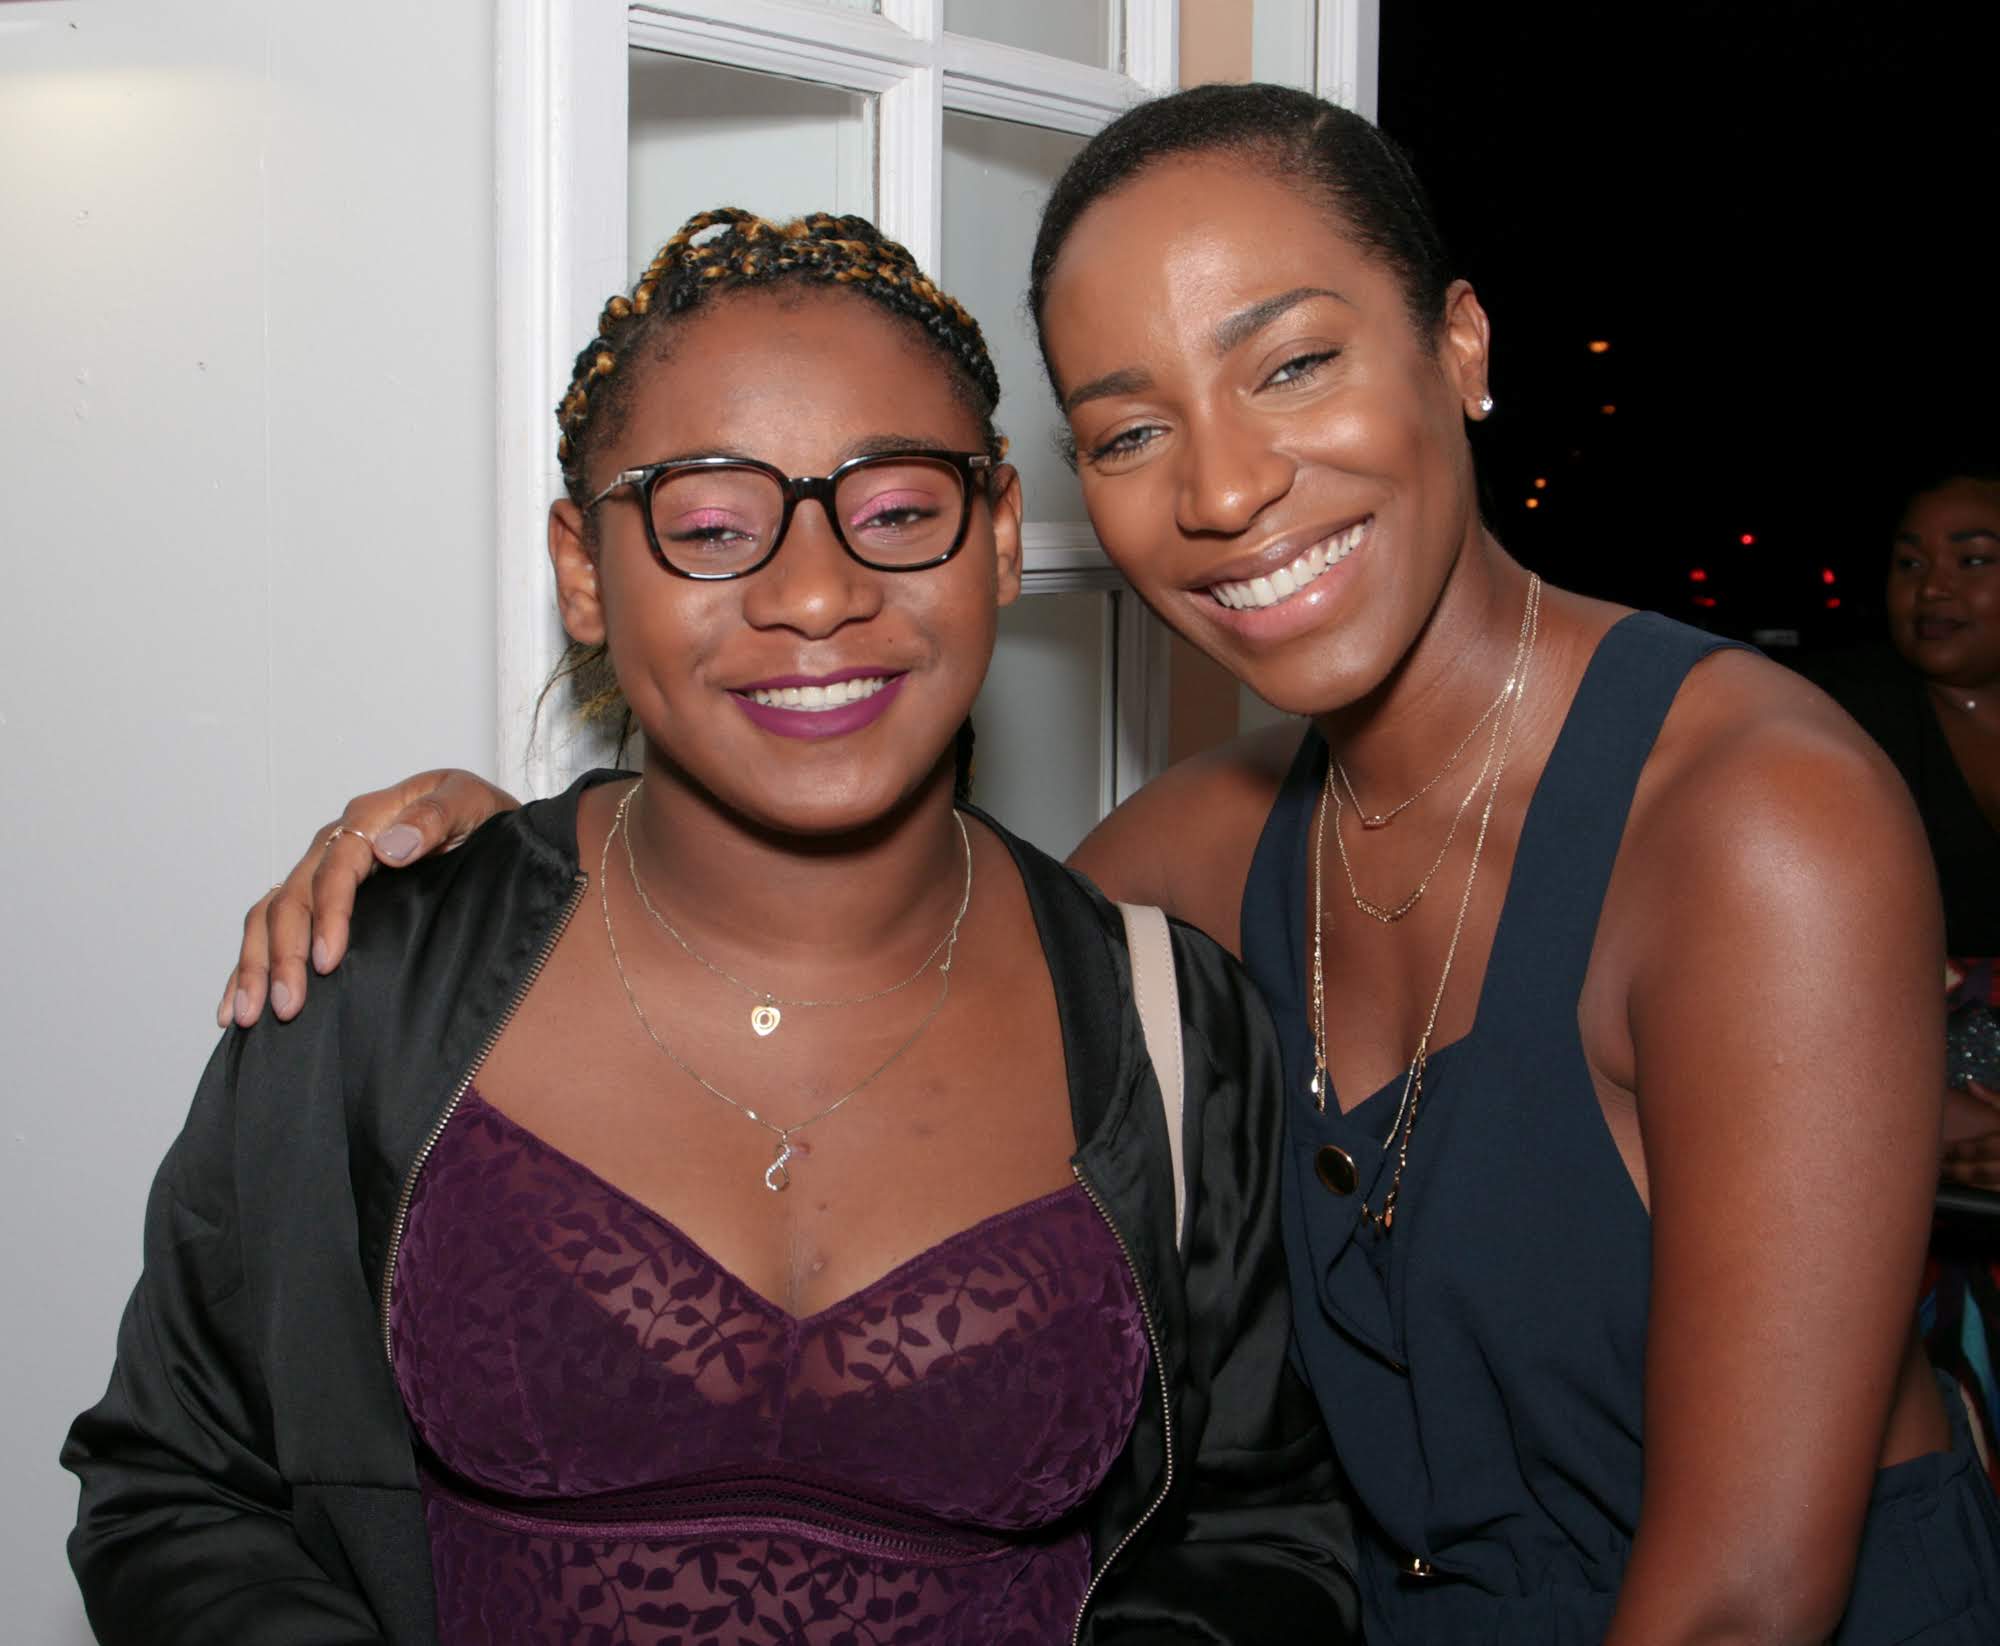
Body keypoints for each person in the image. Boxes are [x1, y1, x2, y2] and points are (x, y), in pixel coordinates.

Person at [216, 86, 2000, 1643]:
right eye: (1133, 431)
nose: (1220, 489)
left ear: (1460, 346)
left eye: (1292, 364)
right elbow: (895, 940)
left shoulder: (1757, 821)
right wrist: (528, 854)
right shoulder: (1190, 860)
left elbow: (1749, 1592)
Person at [64, 209, 1356, 1646]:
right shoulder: (376, 977)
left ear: (997, 535)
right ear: (583, 570)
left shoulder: (1174, 1029)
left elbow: (1260, 1532)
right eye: (710, 527)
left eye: (896, 510)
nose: (816, 593)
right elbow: (179, 1486)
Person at [1815, 462, 2000, 1484]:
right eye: (1908, 562)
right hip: (1893, 1087)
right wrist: (1917, 1107)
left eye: (1972, 561)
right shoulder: (1838, 719)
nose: (1931, 588)